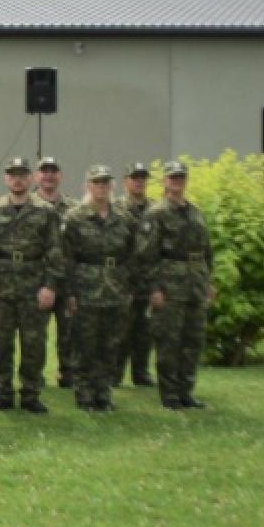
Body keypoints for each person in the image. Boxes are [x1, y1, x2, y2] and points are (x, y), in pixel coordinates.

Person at [0, 157, 64, 414]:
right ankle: (2, 393)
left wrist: (50, 286)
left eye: (22, 174)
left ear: (31, 178)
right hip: (1, 287)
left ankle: (30, 394)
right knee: (1, 343)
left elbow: (55, 252)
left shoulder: (46, 212)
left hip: (33, 286)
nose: (17, 179)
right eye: (13, 174)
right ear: (6, 179)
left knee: (33, 343)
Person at [61, 165, 141, 411]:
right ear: (88, 186)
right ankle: (84, 393)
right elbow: (66, 258)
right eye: (96, 182)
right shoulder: (74, 218)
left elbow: (132, 256)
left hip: (115, 289)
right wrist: (70, 293)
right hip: (86, 288)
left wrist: (129, 287)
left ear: (112, 186)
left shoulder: (125, 218)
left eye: (105, 183)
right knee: (85, 344)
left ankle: (103, 393)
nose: (101, 187)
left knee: (111, 344)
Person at [140, 160, 215, 410]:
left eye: (180, 178)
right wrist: (154, 288)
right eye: (172, 178)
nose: (176, 182)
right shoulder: (156, 214)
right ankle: (170, 394)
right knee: (169, 341)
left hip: (196, 281)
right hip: (169, 284)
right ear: (164, 181)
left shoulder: (195, 211)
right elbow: (147, 255)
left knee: (193, 339)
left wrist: (208, 282)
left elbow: (207, 250)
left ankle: (186, 391)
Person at [34, 155, 76, 388]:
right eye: (44, 170)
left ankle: (68, 374)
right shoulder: (27, 206)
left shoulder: (73, 208)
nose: (49, 175)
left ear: (60, 176)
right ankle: (35, 375)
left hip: (67, 279)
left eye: (53, 170)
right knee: (36, 333)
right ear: (36, 175)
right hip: (37, 278)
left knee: (69, 330)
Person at [116, 162, 156, 387]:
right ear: (125, 181)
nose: (139, 181)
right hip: (123, 279)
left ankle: (141, 372)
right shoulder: (116, 209)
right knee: (121, 329)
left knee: (145, 330)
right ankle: (115, 372)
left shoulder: (155, 209)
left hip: (148, 277)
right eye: (134, 177)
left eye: (142, 177)